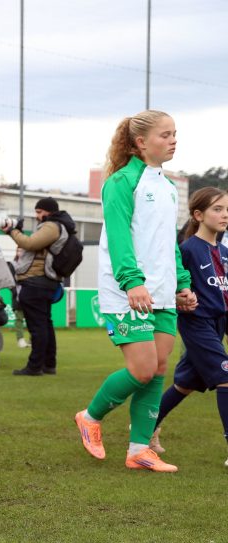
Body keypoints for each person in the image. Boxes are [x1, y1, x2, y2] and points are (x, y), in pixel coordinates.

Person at [74, 109, 196, 473]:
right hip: (127, 290)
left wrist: (183, 283)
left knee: (158, 368)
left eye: (175, 134)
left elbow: (168, 244)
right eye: (165, 134)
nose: (173, 140)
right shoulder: (121, 182)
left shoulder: (169, 186)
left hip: (161, 291)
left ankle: (139, 449)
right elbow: (119, 235)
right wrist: (132, 281)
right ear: (141, 142)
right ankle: (90, 417)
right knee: (142, 369)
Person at [150, 187, 228, 464]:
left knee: (185, 383)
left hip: (218, 323)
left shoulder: (225, 251)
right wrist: (178, 298)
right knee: (225, 377)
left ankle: (145, 428)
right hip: (196, 324)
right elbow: (166, 285)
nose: (224, 215)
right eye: (217, 209)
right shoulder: (187, 250)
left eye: (226, 209)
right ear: (198, 214)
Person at [0, 198, 74, 375]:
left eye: (40, 212)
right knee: (45, 324)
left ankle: (34, 366)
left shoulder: (51, 226)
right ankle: (49, 364)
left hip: (36, 282)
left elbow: (30, 244)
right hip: (45, 282)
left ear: (50, 212)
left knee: (37, 326)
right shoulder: (60, 226)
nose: (37, 216)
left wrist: (12, 231)